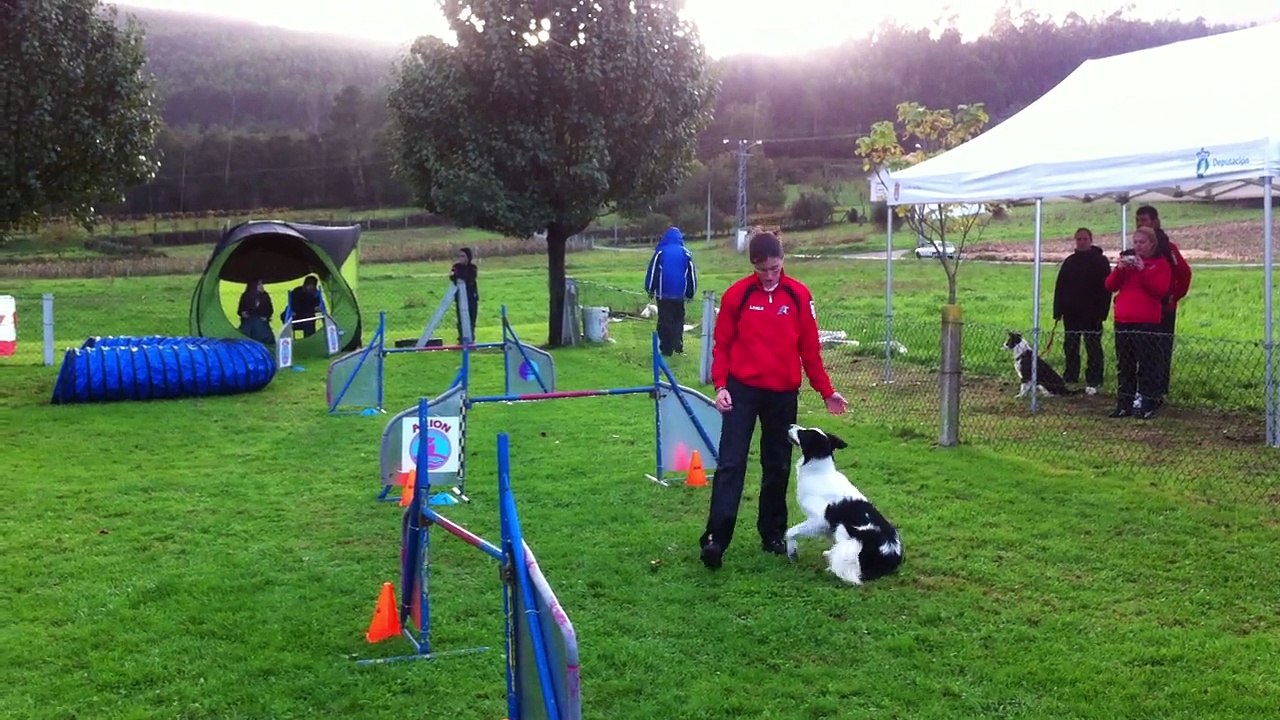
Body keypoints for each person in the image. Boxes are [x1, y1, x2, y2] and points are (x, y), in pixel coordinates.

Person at [698, 230, 849, 570]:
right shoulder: (737, 295)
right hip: (742, 391)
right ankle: (715, 540)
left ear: (783, 261)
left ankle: (773, 534)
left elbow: (810, 350)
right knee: (731, 463)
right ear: (753, 265)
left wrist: (826, 391)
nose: (769, 275)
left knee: (777, 464)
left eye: (775, 268)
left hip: (782, 393)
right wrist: (721, 385)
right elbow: (721, 345)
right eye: (762, 269)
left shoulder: (798, 296)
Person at [1104, 227, 1171, 420]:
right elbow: (1109, 285)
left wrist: (1143, 271)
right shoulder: (1128, 265)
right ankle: (1124, 403)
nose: (1138, 246)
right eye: (1135, 242)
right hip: (1123, 320)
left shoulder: (1160, 265)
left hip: (1147, 321)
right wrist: (1119, 269)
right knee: (1125, 364)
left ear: (1151, 244)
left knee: (1147, 364)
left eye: (1142, 242)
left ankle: (1148, 403)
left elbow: (1159, 290)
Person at [1135, 205, 1192, 406]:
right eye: (1139, 220)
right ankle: (1140, 387)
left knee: (1160, 349)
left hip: (1163, 308)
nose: (1142, 224)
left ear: (1155, 221)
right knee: (1140, 348)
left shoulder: (1168, 249)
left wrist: (1174, 296)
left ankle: (1159, 388)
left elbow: (1184, 274)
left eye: (1145, 220)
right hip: (1141, 308)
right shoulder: (1137, 248)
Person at [1052, 227, 1112, 394]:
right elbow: (1060, 287)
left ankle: (1095, 377)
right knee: (1070, 344)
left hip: (1092, 312)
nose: (1082, 241)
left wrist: (1103, 312)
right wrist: (1058, 311)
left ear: (1091, 240)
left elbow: (1107, 289)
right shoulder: (1070, 262)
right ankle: (1071, 374)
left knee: (1092, 345)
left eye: (1085, 238)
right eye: (1079, 239)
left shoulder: (1100, 261)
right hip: (1071, 312)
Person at [643, 226, 698, 356]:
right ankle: (677, 344)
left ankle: (666, 347)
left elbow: (653, 273)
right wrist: (690, 293)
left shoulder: (660, 252)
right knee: (678, 319)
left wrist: (650, 289)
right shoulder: (686, 254)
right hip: (679, 295)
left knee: (664, 319)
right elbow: (691, 275)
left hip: (664, 294)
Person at [449, 247, 479, 344]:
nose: (461, 258)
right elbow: (452, 277)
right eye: (459, 256)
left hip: (471, 299)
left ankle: (471, 339)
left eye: (463, 256)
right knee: (461, 320)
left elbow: (469, 277)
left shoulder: (473, 268)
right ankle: (461, 339)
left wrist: (461, 275)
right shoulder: (456, 267)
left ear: (468, 257)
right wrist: (459, 275)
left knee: (471, 319)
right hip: (460, 299)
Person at [237, 279, 275, 345]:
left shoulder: (265, 296)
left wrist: (266, 316)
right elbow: (240, 310)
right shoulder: (246, 296)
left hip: (260, 319)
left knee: (258, 325)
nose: (261, 286)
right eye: (259, 284)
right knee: (250, 325)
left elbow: (270, 310)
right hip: (248, 319)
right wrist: (242, 313)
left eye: (261, 284)